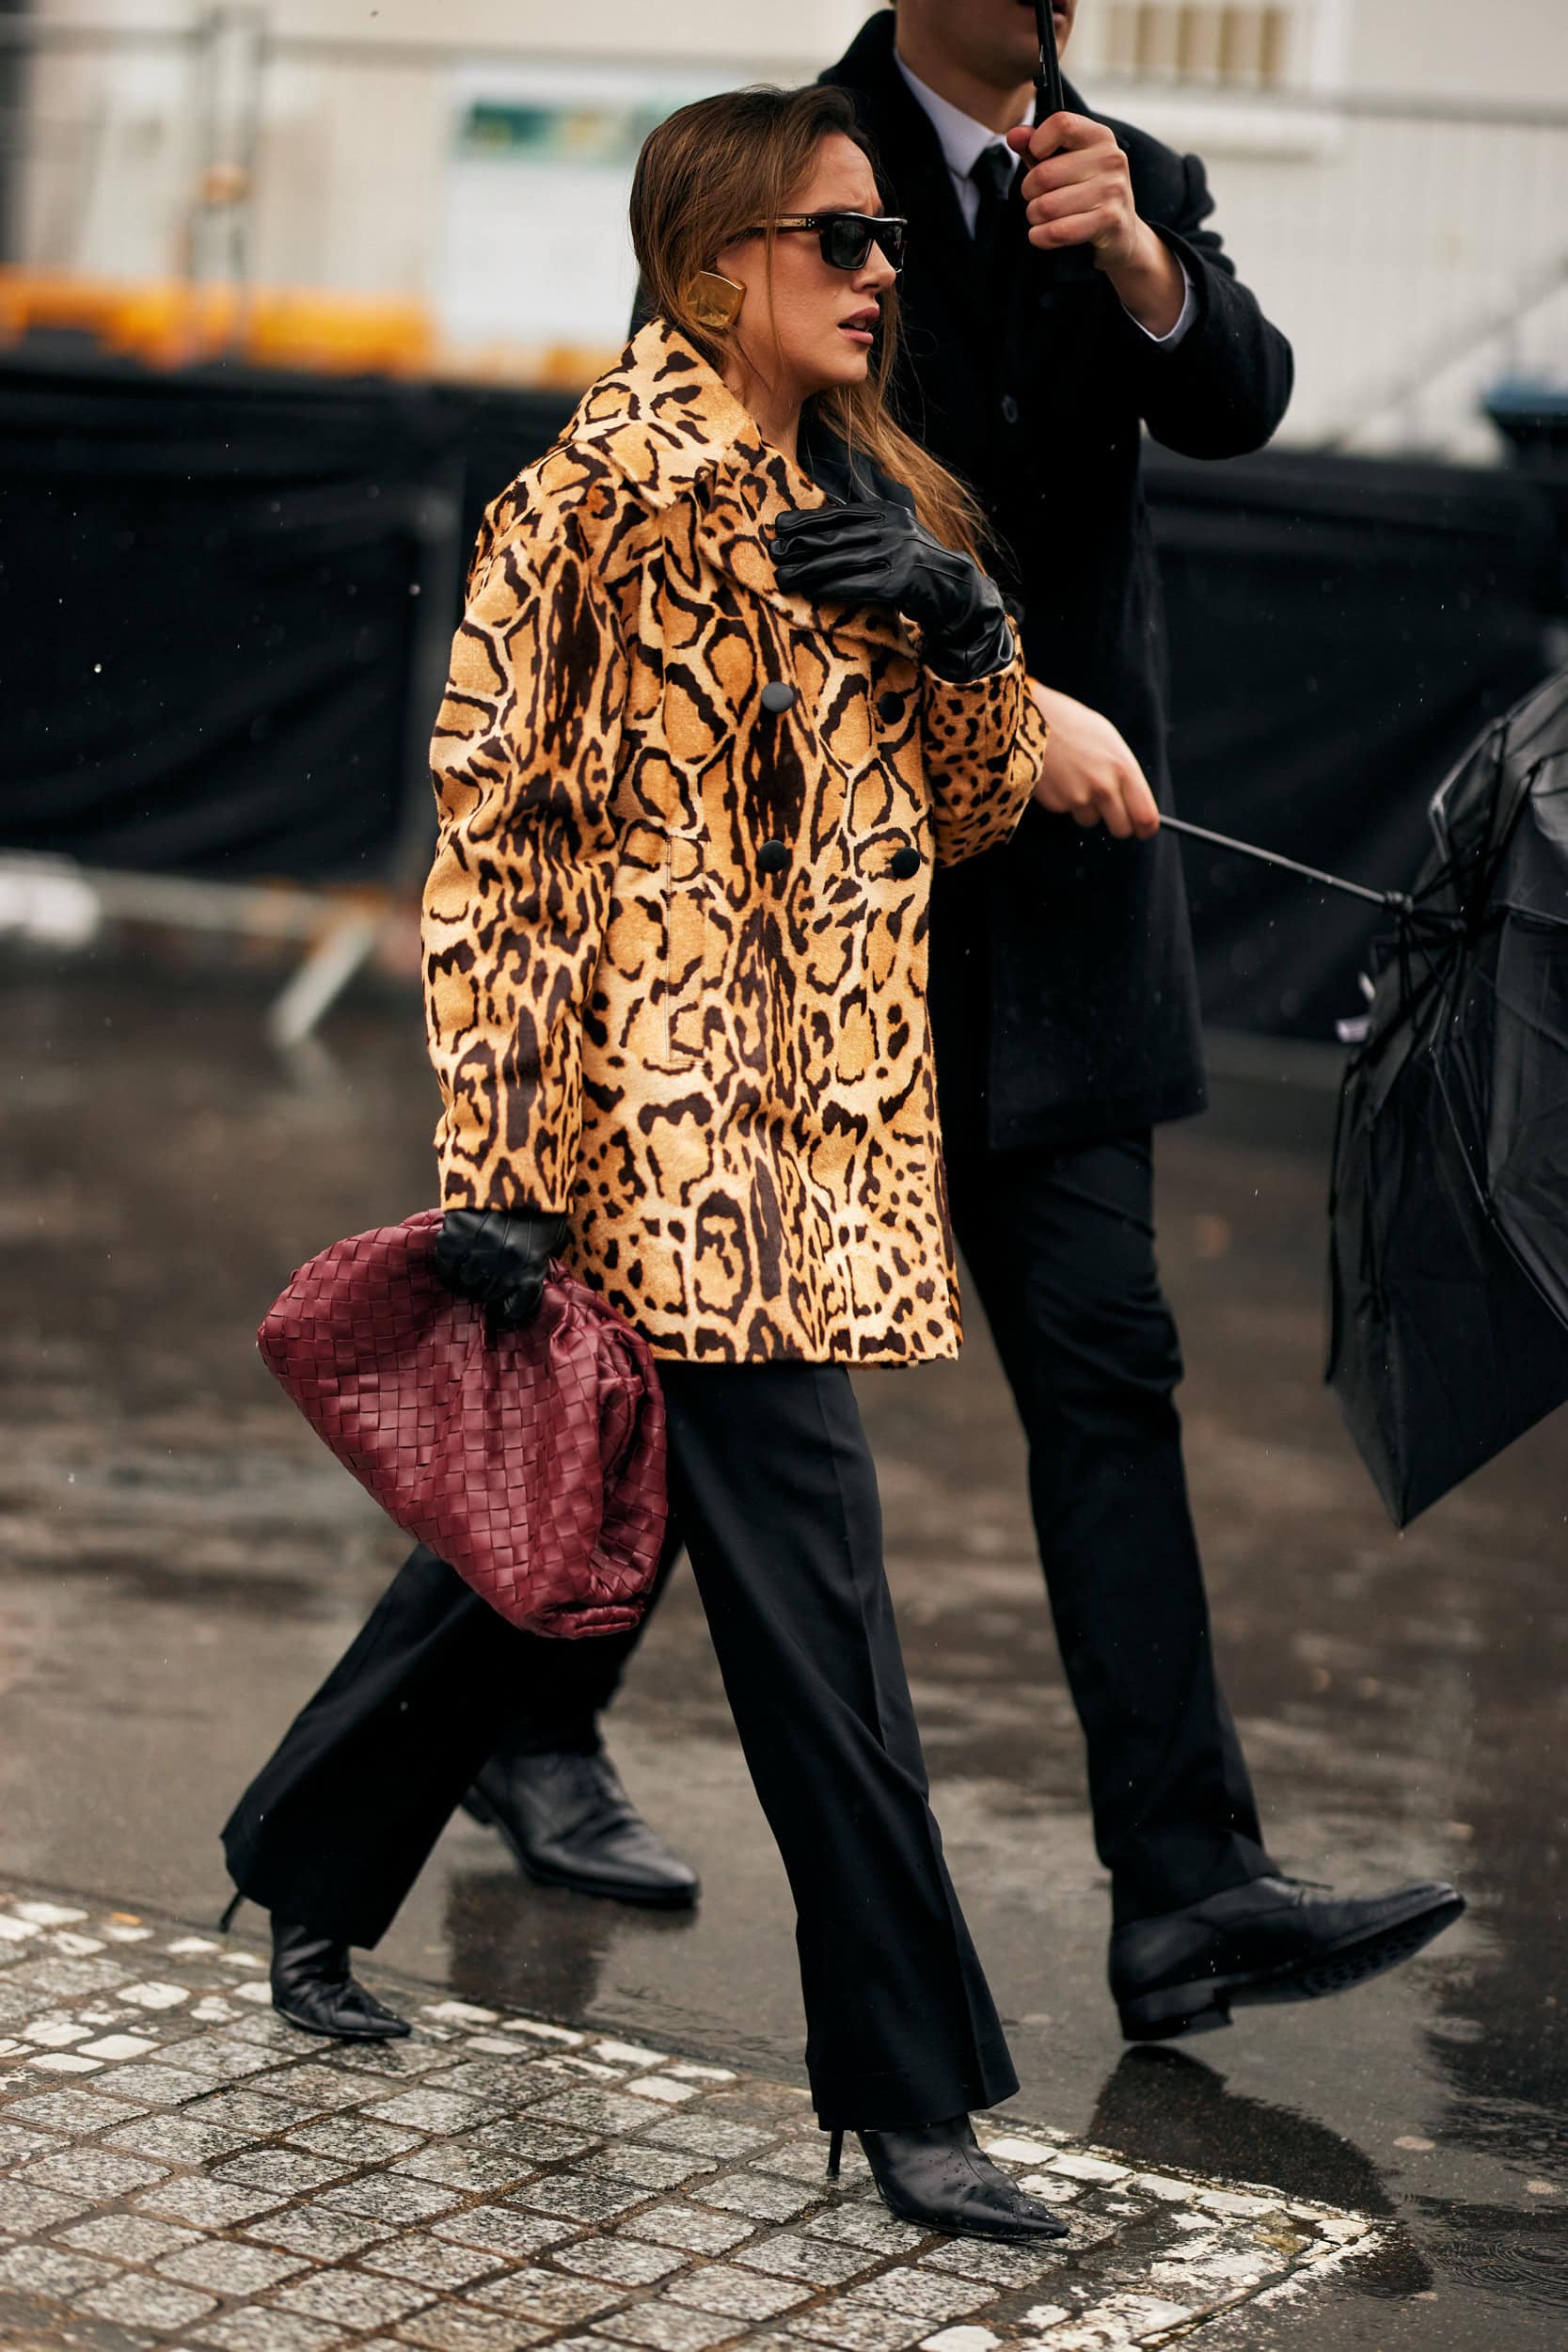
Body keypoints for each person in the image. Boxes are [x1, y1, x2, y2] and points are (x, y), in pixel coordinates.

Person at [461, 0, 1464, 2042]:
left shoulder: (1130, 174)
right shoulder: (792, 165)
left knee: (1112, 1369)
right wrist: (932, 611)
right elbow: (705, 425)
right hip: (830, 899)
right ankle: (501, 1711)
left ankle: (1185, 1889)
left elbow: (1241, 403)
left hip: (1079, 896)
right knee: (696, 1363)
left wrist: (1150, 269)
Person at [223, 83, 1072, 2239]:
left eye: (888, 238)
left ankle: (304, 1872)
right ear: (713, 269)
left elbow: (960, 813)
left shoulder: (864, 502)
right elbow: (493, 855)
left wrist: (964, 626)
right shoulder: (575, 512)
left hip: (828, 1140)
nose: (885, 271)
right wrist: (498, 1149)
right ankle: (912, 2096)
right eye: (838, 239)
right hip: (658, 1155)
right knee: (827, 1641)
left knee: (538, 1559)